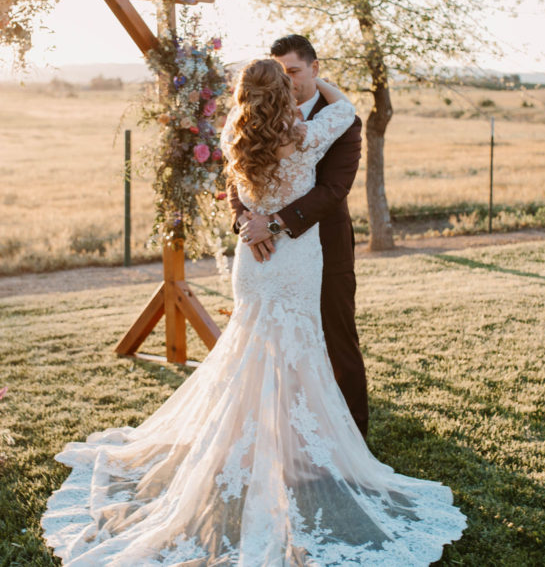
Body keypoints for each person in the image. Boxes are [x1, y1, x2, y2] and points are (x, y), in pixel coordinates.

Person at [41, 59, 465, 565]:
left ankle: (249, 448)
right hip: (294, 257)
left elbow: (237, 198)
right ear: (284, 89)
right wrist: (319, 81)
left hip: (253, 258)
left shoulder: (232, 136)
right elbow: (347, 109)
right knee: (298, 349)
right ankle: (296, 455)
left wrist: (253, 224)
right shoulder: (305, 134)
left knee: (249, 349)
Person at [231, 34, 369, 438]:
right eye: (281, 74)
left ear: (315, 68)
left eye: (294, 71)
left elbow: (334, 190)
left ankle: (352, 437)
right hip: (261, 251)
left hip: (320, 246)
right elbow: (232, 183)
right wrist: (245, 222)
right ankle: (278, 436)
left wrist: (270, 223)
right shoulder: (288, 128)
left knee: (337, 341)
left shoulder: (334, 123)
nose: (288, 82)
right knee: (264, 349)